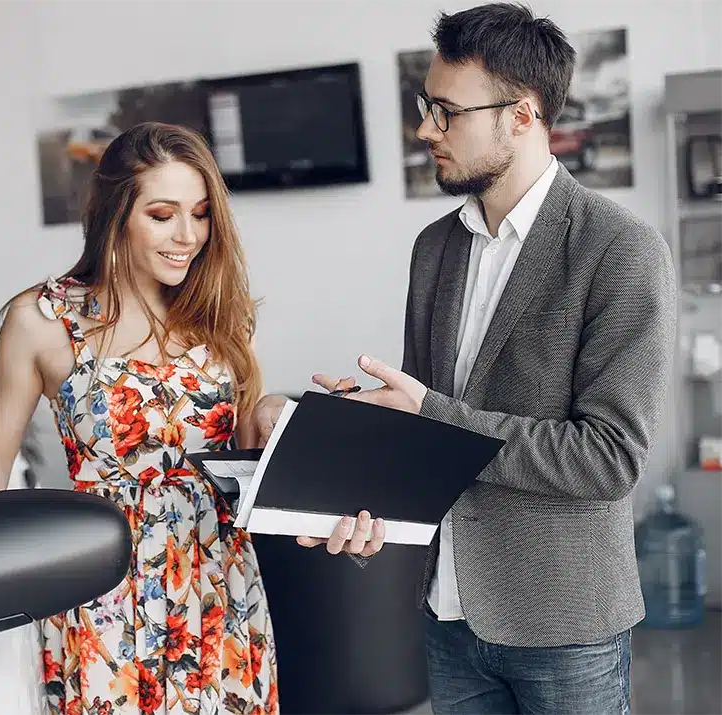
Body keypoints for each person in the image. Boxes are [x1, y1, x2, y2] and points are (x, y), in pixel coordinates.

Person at [265, 4, 677, 714]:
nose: (425, 129)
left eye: (446, 112)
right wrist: (361, 432)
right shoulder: (436, 249)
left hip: (564, 626)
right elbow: (423, 435)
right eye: (428, 107)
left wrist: (429, 413)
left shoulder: (621, 250)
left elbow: (609, 458)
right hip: (445, 616)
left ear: (522, 114)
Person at [0, 121, 280, 714]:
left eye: (200, 214)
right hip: (98, 578)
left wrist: (272, 414)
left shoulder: (217, 310)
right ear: (117, 214)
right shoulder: (41, 318)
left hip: (219, 580)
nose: (187, 236)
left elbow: (238, 449)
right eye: (163, 215)